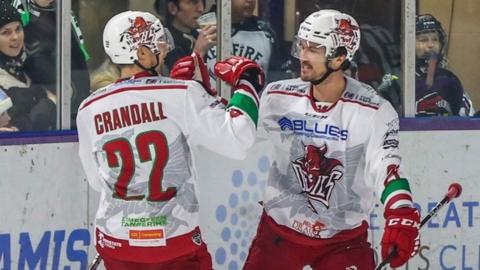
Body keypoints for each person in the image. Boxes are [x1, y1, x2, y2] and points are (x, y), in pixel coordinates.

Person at [76, 10, 264, 270]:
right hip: (173, 243)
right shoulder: (181, 93)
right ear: (142, 53)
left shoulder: (88, 108)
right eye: (158, 45)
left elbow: (97, 182)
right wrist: (248, 83)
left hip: (117, 243)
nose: (164, 51)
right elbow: (238, 139)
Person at [244, 10, 420, 269]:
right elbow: (234, 133)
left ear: (339, 57)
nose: (302, 56)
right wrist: (236, 91)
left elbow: (386, 165)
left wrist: (400, 211)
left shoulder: (372, 111)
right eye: (301, 46)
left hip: (342, 242)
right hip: (278, 237)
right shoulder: (277, 96)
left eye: (314, 49)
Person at [13, 0, 91, 128]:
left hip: (72, 111)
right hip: (34, 113)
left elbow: (80, 68)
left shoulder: (66, 13)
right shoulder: (17, 10)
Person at [378, 13, 473, 116]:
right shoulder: (394, 80)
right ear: (407, 44)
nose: (431, 45)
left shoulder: (449, 79)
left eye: (435, 39)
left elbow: (468, 121)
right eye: (423, 40)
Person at [0, 0, 55, 131]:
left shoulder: (30, 67)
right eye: (6, 32)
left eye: (18, 29)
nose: (15, 37)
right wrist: (49, 104)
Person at [204, 0, 279, 85]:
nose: (251, 1)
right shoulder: (201, 28)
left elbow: (277, 77)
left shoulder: (265, 32)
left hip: (252, 97)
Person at [154, 0, 216, 72]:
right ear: (172, 8)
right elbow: (177, 79)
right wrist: (198, 53)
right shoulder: (162, 42)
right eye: (193, 2)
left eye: (203, 2)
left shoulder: (197, 35)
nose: (201, 9)